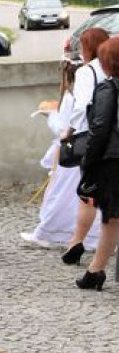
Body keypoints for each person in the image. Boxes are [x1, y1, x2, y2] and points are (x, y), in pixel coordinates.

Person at [21, 59, 101, 250]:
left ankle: (51, 233)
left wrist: (50, 116)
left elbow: (63, 128)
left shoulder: (71, 97)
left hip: (71, 152)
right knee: (77, 197)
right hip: (82, 150)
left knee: (59, 196)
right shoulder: (86, 94)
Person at [61, 27, 110, 266]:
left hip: (93, 138)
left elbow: (80, 107)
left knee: (88, 193)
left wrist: (68, 131)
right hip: (115, 139)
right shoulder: (113, 69)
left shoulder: (86, 72)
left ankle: (77, 241)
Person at [74, 36, 119, 290]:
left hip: (113, 161)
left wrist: (88, 161)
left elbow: (99, 129)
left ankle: (96, 270)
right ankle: (95, 270)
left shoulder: (107, 89)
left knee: (112, 218)